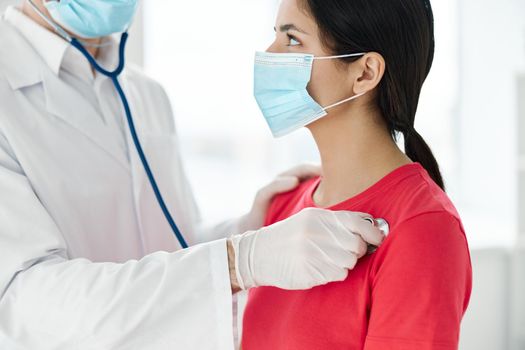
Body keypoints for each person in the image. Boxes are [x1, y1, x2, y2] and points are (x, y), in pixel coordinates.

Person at [0, 1, 386, 349]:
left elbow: (165, 247)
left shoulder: (144, 94)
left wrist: (244, 229)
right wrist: (240, 261)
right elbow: (24, 303)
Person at [241, 0, 473, 349]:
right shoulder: (281, 206)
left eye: (292, 40)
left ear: (364, 73)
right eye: (274, 36)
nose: (269, 54)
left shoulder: (423, 228)